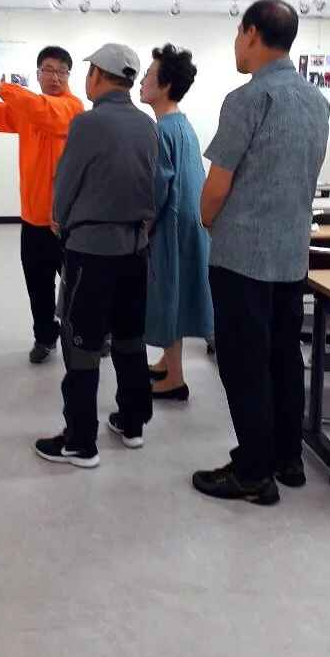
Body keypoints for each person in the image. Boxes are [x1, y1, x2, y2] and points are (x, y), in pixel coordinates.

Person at [192, 0, 329, 506]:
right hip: (291, 255)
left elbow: (217, 187)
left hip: (242, 258)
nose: (236, 44)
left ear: (250, 32)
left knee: (244, 363)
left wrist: (207, 219)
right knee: (284, 357)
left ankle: (253, 471)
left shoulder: (247, 99)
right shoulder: (316, 101)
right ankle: (287, 459)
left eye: (237, 34)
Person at [35, 44, 159, 468]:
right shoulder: (147, 124)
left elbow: (66, 184)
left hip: (92, 251)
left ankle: (80, 441)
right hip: (135, 249)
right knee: (129, 337)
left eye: (87, 71)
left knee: (82, 344)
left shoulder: (87, 123)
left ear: (98, 75)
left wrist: (60, 221)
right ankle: (132, 422)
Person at [0, 47, 84, 364]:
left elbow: (47, 113)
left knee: (77, 287)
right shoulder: (28, 108)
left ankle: (89, 336)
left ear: (68, 76)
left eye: (62, 71)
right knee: (38, 285)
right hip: (33, 218)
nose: (55, 77)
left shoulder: (72, 108)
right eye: (48, 70)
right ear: (37, 74)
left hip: (66, 221)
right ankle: (45, 337)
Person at [140, 44, 213, 399]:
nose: (141, 81)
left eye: (148, 75)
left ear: (165, 85)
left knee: (167, 294)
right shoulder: (181, 124)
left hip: (170, 225)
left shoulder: (161, 130)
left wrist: (143, 228)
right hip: (189, 223)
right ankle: (168, 363)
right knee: (175, 294)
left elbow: (157, 188)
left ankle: (176, 380)